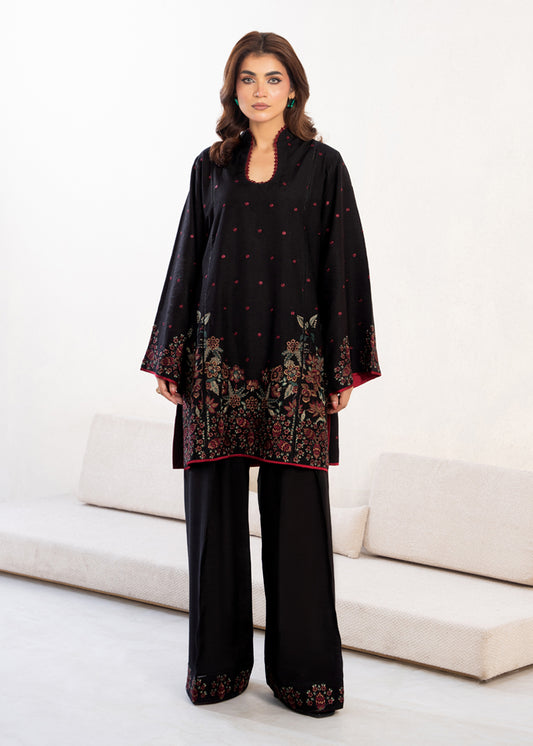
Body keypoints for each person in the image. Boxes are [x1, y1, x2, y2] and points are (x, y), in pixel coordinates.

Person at [141, 30, 381, 717]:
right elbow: (187, 256)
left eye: (272, 78)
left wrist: (339, 365)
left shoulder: (323, 166)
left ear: (294, 89)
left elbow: (343, 264)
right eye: (247, 78)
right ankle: (216, 671)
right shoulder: (210, 166)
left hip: (293, 360)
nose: (259, 90)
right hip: (214, 358)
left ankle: (305, 678)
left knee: (298, 524)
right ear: (232, 90)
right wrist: (171, 353)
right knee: (212, 521)